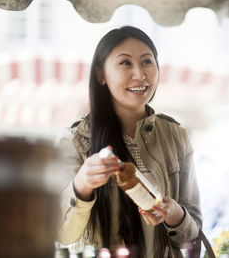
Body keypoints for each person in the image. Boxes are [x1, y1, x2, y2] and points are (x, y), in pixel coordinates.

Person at [55, 26, 202, 258]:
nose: (139, 74)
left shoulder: (176, 136)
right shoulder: (74, 140)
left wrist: (175, 213)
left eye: (146, 62)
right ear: (101, 75)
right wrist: (82, 185)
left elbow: (192, 236)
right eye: (125, 63)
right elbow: (63, 235)